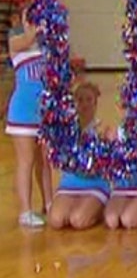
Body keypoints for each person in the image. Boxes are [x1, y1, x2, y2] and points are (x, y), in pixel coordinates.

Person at [6, 5, 52, 227]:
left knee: (44, 161)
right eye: (29, 17)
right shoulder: (16, 42)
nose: (34, 21)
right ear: (23, 21)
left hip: (44, 114)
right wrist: (34, 30)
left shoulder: (48, 47)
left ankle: (49, 203)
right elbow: (25, 40)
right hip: (23, 112)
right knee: (26, 160)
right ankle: (25, 211)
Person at [47, 82, 111, 230]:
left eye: (89, 100)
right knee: (56, 221)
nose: (84, 104)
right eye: (80, 100)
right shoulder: (66, 130)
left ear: (95, 103)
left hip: (95, 185)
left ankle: (99, 207)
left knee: (78, 220)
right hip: (69, 185)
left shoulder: (103, 130)